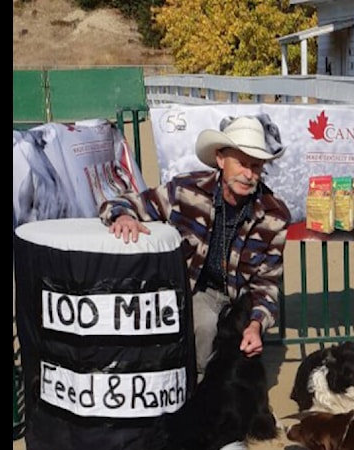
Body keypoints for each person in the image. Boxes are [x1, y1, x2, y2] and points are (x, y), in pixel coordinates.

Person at [99, 115, 291, 380]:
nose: (249, 175)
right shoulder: (186, 190)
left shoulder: (275, 215)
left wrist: (256, 324)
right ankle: (198, 393)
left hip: (239, 300)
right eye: (242, 164)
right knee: (204, 327)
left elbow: (267, 283)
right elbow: (125, 203)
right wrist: (122, 216)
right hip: (193, 290)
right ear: (221, 160)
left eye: (256, 166)